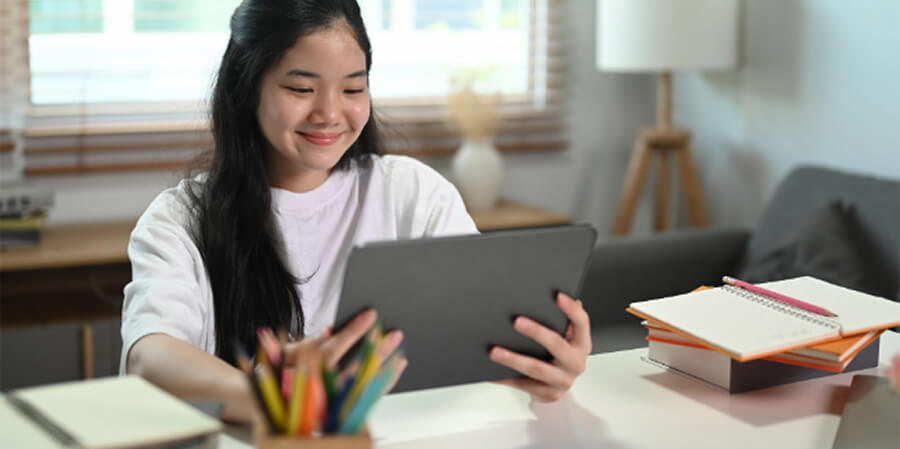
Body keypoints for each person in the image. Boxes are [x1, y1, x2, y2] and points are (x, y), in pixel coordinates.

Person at [121, 0, 592, 424]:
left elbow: (479, 329)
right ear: (248, 90)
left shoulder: (413, 194)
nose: (329, 113)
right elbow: (150, 357)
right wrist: (275, 396)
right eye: (301, 88)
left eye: (352, 88)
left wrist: (548, 361)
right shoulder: (180, 220)